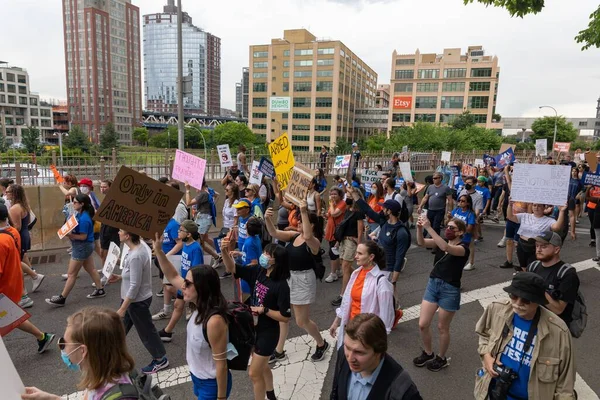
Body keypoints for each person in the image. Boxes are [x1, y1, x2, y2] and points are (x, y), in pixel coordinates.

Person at [153, 237, 233, 400]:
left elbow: (222, 364)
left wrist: (221, 398)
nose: (183, 286)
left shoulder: (214, 321)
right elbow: (173, 275)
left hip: (211, 384)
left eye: (188, 284)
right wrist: (159, 251)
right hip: (198, 377)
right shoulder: (198, 304)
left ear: (202, 288)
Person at [474, 272, 576, 400]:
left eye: (526, 300)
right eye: (514, 296)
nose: (517, 303)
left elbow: (565, 385)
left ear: (538, 301)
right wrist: (487, 356)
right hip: (494, 392)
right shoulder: (496, 309)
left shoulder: (559, 331)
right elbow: (483, 334)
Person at [222, 240, 291, 400]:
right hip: (252, 329)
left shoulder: (281, 286)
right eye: (265, 252)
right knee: (263, 365)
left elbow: (285, 317)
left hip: (268, 333)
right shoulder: (258, 271)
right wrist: (225, 251)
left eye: (268, 255)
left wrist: (264, 310)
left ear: (277, 261)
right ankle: (271, 395)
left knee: (254, 373)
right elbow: (231, 268)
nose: (264, 256)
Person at [21, 307, 136, 400]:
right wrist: (52, 399)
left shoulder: (116, 395)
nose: (62, 349)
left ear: (82, 351)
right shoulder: (100, 374)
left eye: (63, 343)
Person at [264, 201, 330, 362]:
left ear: (312, 225)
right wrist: (267, 219)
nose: (298, 222)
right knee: (283, 315)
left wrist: (304, 211)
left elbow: (307, 236)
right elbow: (273, 232)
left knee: (302, 321)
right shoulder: (294, 236)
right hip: (288, 278)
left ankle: (321, 343)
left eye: (302, 220)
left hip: (303, 280)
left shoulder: (313, 242)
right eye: (298, 220)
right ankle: (279, 350)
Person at [107, 230, 169, 374]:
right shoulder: (136, 249)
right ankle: (112, 357)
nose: (118, 232)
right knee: (120, 330)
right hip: (132, 299)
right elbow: (133, 273)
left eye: (121, 231)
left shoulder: (136, 254)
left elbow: (135, 284)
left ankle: (160, 359)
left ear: (128, 236)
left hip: (136, 301)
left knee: (146, 331)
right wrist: (120, 277)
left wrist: (123, 308)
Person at [414, 215, 469, 372]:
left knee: (442, 327)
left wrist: (429, 227)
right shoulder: (440, 243)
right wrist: (419, 228)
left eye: (453, 228)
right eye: (448, 227)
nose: (448, 230)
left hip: (449, 289)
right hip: (433, 285)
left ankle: (441, 357)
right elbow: (422, 242)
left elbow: (447, 248)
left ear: (461, 233)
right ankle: (428, 352)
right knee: (423, 324)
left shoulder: (464, 248)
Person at [0, 204, 55, 354]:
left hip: (4, 288)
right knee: (13, 318)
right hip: (12, 284)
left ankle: (42, 336)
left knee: (12, 317)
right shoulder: (11, 232)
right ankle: (42, 336)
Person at [349, 187, 409, 325]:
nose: (381, 209)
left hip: (388, 268)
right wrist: (354, 195)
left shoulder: (401, 233)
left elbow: (400, 256)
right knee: (381, 294)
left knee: (385, 295)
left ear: (390, 211)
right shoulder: (384, 222)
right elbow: (367, 210)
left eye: (384, 208)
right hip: (378, 264)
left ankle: (391, 317)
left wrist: (394, 278)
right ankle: (389, 314)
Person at [330, 313, 422, 400]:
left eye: (359, 352)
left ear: (378, 351)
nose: (350, 358)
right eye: (347, 347)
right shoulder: (343, 353)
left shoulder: (401, 389)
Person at [329, 242, 395, 349]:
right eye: (356, 253)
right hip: (350, 328)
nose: (356, 256)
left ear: (371, 257)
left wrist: (378, 342)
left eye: (360, 253)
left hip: (366, 335)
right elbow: (346, 300)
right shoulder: (356, 273)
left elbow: (386, 315)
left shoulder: (381, 282)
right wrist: (336, 322)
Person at [46, 194, 106, 306]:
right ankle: (100, 289)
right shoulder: (82, 214)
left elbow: (82, 237)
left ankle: (62, 298)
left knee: (71, 274)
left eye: (75, 202)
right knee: (91, 269)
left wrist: (69, 235)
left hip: (81, 247)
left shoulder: (84, 219)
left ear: (82, 204)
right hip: (86, 246)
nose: (73, 204)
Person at [158, 220, 203, 342]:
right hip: (184, 283)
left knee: (200, 309)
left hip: (191, 285)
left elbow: (196, 270)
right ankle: (167, 332)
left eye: (181, 230)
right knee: (178, 305)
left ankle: (201, 333)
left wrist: (188, 285)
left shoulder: (195, 248)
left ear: (188, 234)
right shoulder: (185, 245)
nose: (178, 232)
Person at [527, 231, 581, 326]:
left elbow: (558, 309)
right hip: (533, 322)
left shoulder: (567, 274)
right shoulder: (533, 266)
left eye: (544, 246)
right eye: (537, 246)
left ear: (556, 250)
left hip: (555, 327)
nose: (538, 250)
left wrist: (538, 288)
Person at [5, 184, 44, 306]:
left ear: (14, 193)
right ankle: (34, 277)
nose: (6, 194)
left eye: (8, 192)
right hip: (24, 235)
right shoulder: (23, 205)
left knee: (16, 264)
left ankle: (25, 293)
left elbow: (17, 227)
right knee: (18, 261)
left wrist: (5, 230)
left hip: (19, 237)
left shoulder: (14, 208)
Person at [506, 201, 566, 271]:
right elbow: (510, 216)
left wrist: (561, 211)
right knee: (523, 266)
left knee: (533, 267)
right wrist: (510, 205)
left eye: (539, 206)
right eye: (534, 205)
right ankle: (527, 279)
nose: (536, 208)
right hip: (521, 245)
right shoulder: (525, 216)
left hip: (536, 246)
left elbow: (557, 227)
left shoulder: (549, 220)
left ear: (544, 208)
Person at [331, 196, 365, 307]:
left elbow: (360, 231)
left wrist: (359, 245)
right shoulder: (347, 210)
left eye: (350, 196)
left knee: (345, 267)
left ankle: (343, 295)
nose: (347, 198)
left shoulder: (358, 213)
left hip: (351, 242)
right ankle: (361, 276)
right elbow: (343, 227)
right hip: (343, 241)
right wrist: (338, 241)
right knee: (343, 264)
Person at [152, 216, 184, 321]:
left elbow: (180, 243)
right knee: (166, 286)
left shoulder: (173, 224)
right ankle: (166, 311)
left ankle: (191, 304)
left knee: (170, 287)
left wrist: (167, 256)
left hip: (172, 259)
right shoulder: (162, 224)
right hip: (164, 259)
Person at [324, 187, 346, 283]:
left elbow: (334, 214)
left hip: (336, 232)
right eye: (331, 194)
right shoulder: (333, 204)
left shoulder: (342, 204)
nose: (333, 196)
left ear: (340, 195)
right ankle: (338, 270)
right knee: (335, 252)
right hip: (330, 230)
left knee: (333, 253)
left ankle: (333, 273)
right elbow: (329, 215)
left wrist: (331, 205)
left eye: (335, 194)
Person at [450, 194, 477, 271]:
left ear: (468, 203)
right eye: (459, 200)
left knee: (466, 251)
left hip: (465, 238)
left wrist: (458, 227)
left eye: (463, 201)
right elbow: (449, 221)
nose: (460, 202)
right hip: (455, 236)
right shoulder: (456, 210)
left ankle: (471, 263)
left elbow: (469, 229)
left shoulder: (470, 214)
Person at [98, 180, 120, 267]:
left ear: (110, 188)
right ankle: (105, 272)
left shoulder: (115, 199)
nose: (102, 189)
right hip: (104, 227)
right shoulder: (105, 198)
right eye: (101, 187)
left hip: (112, 229)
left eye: (105, 187)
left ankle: (126, 264)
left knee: (111, 254)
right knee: (103, 252)